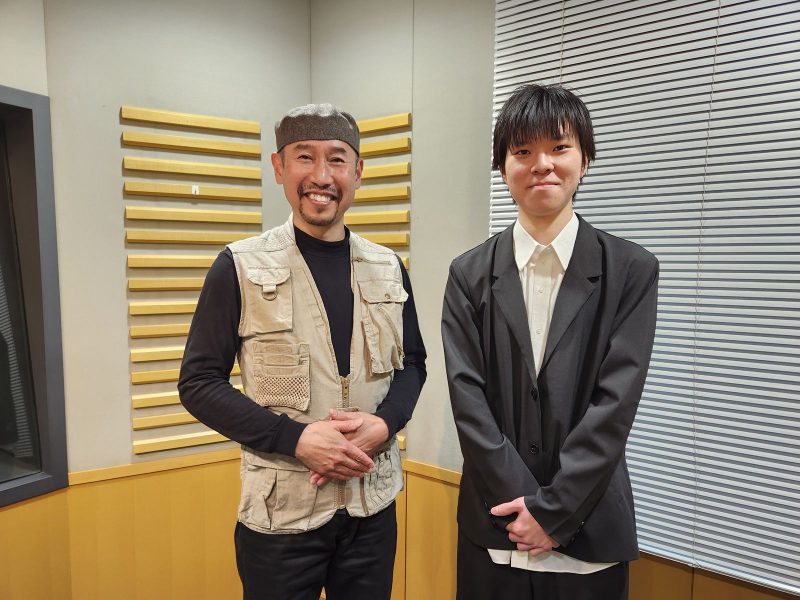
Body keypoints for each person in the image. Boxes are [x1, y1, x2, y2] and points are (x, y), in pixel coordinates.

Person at [179, 103, 426, 600]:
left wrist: (385, 424)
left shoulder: (388, 267)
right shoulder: (238, 266)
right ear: (279, 167)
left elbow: (414, 364)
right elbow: (199, 383)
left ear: (358, 172)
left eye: (337, 159)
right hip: (281, 517)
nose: (321, 176)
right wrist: (295, 439)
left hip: (372, 508)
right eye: (304, 157)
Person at [441, 83, 659, 600]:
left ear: (585, 159)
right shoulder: (468, 273)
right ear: (503, 166)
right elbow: (467, 399)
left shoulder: (631, 270)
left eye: (559, 147)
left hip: (589, 526)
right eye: (523, 151)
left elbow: (615, 404)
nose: (542, 164)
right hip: (496, 525)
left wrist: (553, 511)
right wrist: (526, 509)